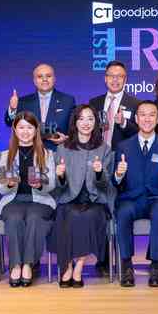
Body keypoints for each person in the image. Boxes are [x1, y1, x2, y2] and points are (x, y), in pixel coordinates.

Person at [112, 100, 158, 288]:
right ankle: (127, 266)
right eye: (143, 115)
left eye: (151, 115)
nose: (147, 119)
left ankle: (155, 267)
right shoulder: (123, 146)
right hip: (131, 198)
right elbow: (115, 181)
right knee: (123, 213)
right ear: (136, 118)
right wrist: (118, 174)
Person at [50, 105, 114, 288]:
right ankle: (67, 266)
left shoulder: (104, 149)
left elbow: (106, 185)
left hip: (95, 199)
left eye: (90, 119)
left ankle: (78, 267)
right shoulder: (63, 148)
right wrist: (60, 175)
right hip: (69, 198)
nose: (86, 123)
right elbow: (59, 187)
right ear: (75, 123)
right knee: (67, 215)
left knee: (87, 217)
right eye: (81, 119)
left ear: (96, 123)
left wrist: (100, 173)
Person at [0, 112, 58, 288]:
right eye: (21, 127)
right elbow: (0, 188)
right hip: (13, 200)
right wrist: (8, 184)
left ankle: (28, 264)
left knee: (34, 217)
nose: (25, 131)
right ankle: (16, 264)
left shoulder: (47, 154)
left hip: (40, 200)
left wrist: (40, 184)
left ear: (36, 130)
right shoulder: (6, 155)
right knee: (14, 217)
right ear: (15, 130)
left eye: (29, 127)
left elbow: (52, 184)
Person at [4, 63, 76, 150]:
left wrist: (66, 139)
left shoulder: (68, 100)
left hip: (58, 151)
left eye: (48, 76)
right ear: (34, 81)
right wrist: (13, 109)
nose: (44, 79)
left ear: (54, 79)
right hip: (30, 152)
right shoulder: (23, 101)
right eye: (40, 76)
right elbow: (10, 123)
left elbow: (75, 128)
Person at [89, 61, 140, 151]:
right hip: (97, 153)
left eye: (119, 76)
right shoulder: (94, 103)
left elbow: (139, 133)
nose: (115, 80)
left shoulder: (135, 104)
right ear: (105, 78)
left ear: (125, 79)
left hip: (123, 154)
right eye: (111, 76)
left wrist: (124, 123)